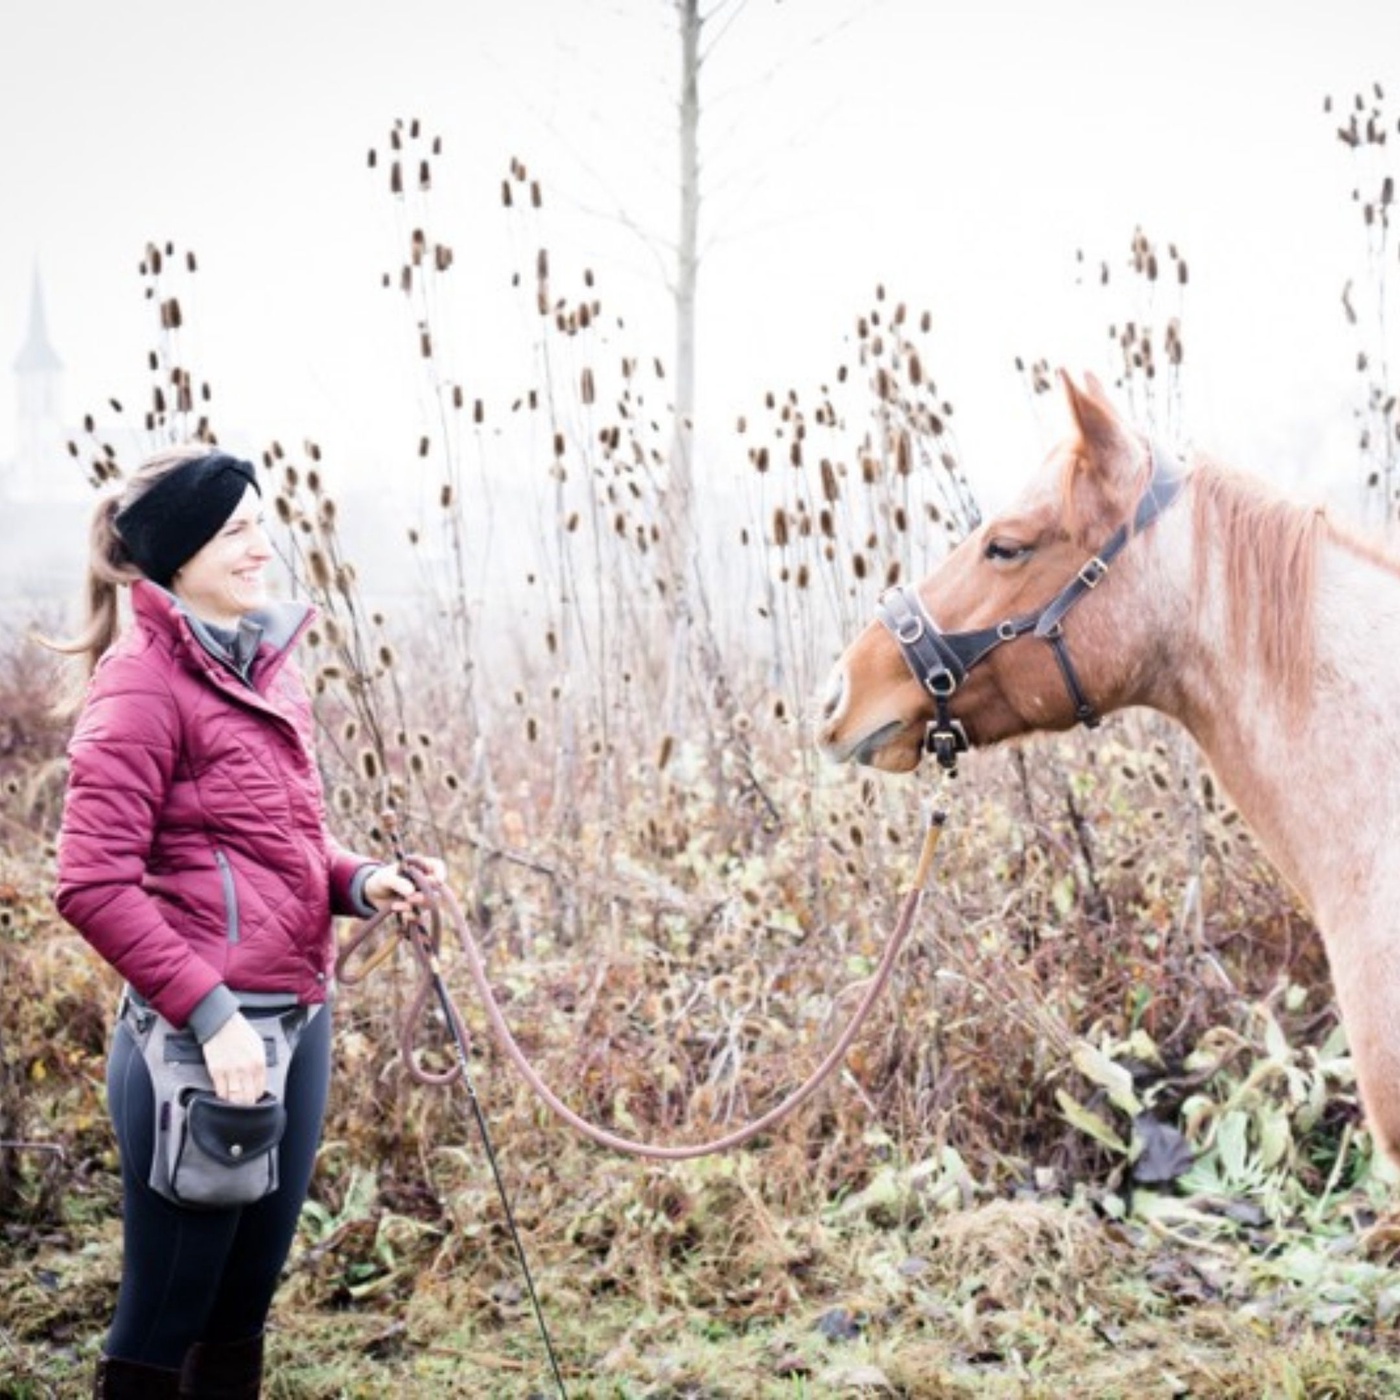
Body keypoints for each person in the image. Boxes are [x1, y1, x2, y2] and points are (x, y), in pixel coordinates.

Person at [49, 445, 442, 1399]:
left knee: (240, 1308)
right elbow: (91, 882)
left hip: (297, 1025)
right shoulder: (140, 681)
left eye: (261, 523)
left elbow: (273, 849)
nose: (262, 547)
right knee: (166, 1311)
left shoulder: (269, 665)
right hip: (198, 1046)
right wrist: (211, 1011)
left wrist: (364, 880)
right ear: (178, 557)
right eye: (235, 532)